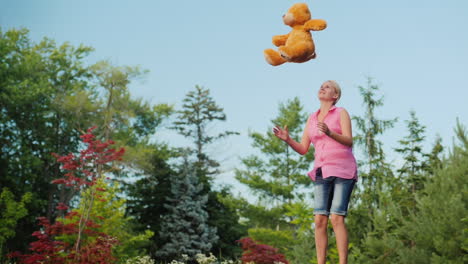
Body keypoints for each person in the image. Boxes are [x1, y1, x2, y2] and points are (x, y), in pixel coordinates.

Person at [273, 80, 357, 264]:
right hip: (321, 170)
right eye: (321, 85)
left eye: (327, 86)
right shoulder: (312, 118)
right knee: (319, 219)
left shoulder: (341, 113)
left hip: (343, 169)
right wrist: (288, 139)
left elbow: (349, 140)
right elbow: (303, 148)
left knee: (336, 217)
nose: (322, 87)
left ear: (335, 95)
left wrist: (330, 133)